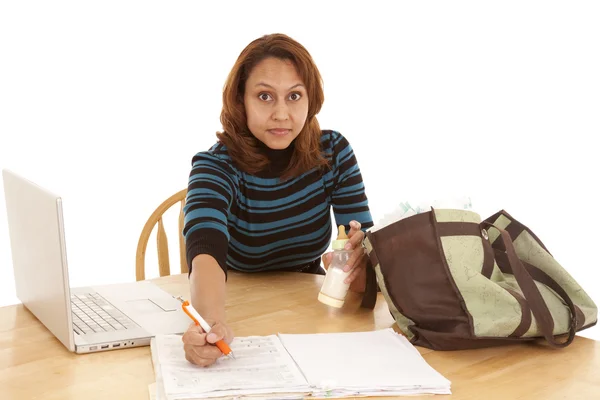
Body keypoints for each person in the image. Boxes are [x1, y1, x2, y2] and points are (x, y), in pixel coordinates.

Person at [181, 33, 375, 367]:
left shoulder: (334, 152)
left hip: (309, 307)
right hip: (236, 302)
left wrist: (361, 268)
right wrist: (210, 324)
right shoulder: (215, 166)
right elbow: (205, 254)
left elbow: (362, 245)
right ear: (241, 101)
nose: (282, 113)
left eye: (294, 96)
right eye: (265, 96)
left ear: (310, 100)